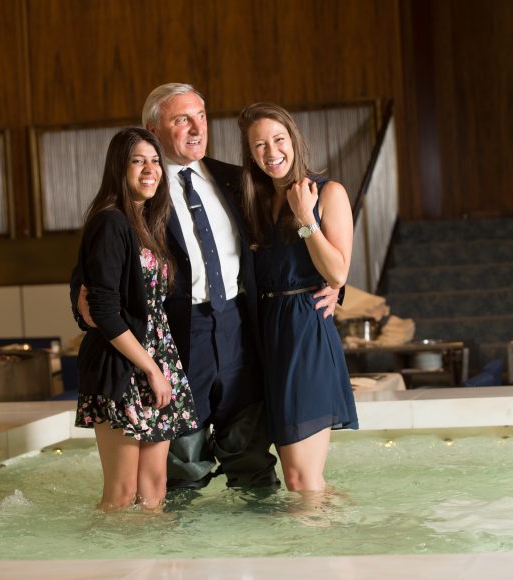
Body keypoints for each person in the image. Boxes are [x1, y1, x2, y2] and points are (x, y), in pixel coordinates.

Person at [72, 83, 340, 491]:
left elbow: (289, 244)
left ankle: (266, 547)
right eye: (182, 119)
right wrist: (79, 291)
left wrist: (334, 285)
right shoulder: (144, 186)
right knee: (180, 465)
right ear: (152, 127)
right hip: (178, 335)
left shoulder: (238, 181)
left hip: (240, 330)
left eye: (201, 116)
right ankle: (180, 549)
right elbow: (101, 245)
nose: (197, 127)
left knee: (251, 456)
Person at [74, 127, 198, 511]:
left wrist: (160, 369)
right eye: (137, 161)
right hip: (125, 366)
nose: (150, 169)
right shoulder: (110, 222)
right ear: (119, 168)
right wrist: (151, 370)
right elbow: (105, 312)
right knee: (122, 491)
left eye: (155, 160)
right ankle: (107, 567)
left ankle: (152, 567)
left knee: (154, 488)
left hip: (157, 362)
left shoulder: (148, 223)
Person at [237, 102, 358, 492]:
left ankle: (323, 549)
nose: (271, 153)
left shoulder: (328, 193)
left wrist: (307, 220)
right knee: (297, 477)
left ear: (294, 140)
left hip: (304, 328)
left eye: (278, 140)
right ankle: (330, 532)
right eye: (259, 145)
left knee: (302, 479)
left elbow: (337, 272)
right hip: (264, 334)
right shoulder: (254, 201)